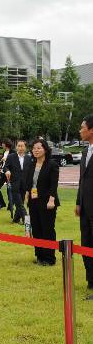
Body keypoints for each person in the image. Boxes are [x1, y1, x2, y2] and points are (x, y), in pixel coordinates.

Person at [25, 138, 60, 266]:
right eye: (34, 148)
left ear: (45, 149)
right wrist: (27, 196)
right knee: (37, 229)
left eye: (39, 148)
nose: (36, 150)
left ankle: (49, 259)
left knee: (48, 230)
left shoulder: (51, 164)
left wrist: (51, 200)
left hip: (47, 202)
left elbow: (53, 185)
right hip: (34, 202)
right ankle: (39, 256)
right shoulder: (31, 164)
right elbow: (29, 183)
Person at [75, 114, 93, 299]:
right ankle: (91, 279)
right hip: (86, 207)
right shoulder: (85, 151)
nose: (80, 130)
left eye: (82, 127)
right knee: (86, 242)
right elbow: (82, 179)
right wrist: (78, 202)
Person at [4, 140, 32, 225]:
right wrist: (7, 171)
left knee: (21, 203)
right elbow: (5, 167)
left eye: (22, 146)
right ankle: (27, 221)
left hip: (25, 184)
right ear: (16, 147)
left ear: (25, 148)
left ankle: (16, 219)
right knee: (19, 203)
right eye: (18, 146)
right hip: (14, 183)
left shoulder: (29, 158)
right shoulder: (11, 156)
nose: (20, 148)